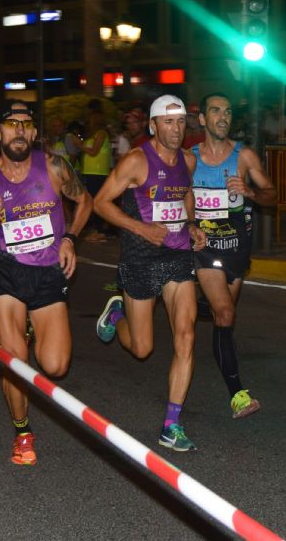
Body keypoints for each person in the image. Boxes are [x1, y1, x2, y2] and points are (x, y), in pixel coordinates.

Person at [0, 100, 92, 465]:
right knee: (15, 361)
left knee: (56, 365)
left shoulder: (55, 168)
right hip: (6, 275)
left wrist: (70, 238)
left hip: (47, 272)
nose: (19, 131)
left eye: (25, 126)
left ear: (33, 133)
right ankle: (22, 431)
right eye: (11, 125)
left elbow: (85, 201)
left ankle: (31, 328)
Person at [93, 95, 206, 452]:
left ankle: (172, 424)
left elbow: (185, 194)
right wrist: (139, 228)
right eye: (168, 122)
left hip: (177, 255)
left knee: (186, 335)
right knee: (141, 349)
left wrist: (191, 222)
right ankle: (118, 313)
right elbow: (100, 203)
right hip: (140, 258)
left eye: (181, 122)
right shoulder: (136, 161)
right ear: (154, 125)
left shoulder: (188, 160)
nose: (176, 129)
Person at [191, 92, 277, 418]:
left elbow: (272, 195)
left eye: (227, 111)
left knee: (219, 314)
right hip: (204, 249)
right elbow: (179, 199)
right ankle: (237, 394)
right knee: (225, 313)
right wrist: (188, 225)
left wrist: (250, 191)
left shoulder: (244, 157)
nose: (223, 116)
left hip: (237, 252)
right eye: (215, 110)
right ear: (202, 119)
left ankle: (162, 298)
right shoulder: (189, 159)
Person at [74, 98, 112, 242]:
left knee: (95, 202)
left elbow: (93, 151)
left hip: (98, 173)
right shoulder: (93, 135)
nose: (87, 121)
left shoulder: (101, 133)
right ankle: (98, 229)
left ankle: (100, 231)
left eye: (90, 119)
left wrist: (79, 145)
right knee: (91, 201)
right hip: (90, 173)